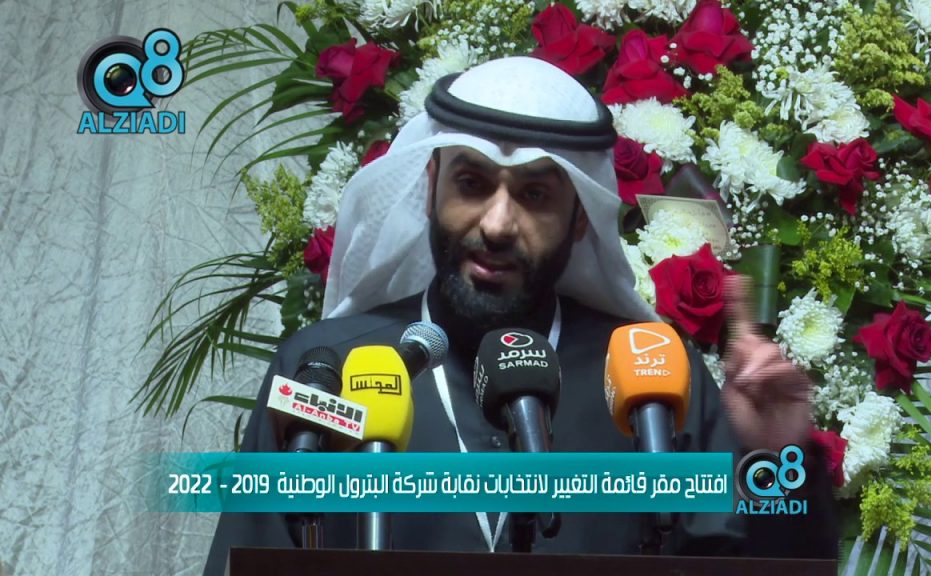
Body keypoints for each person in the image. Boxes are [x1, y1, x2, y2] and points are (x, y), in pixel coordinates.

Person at [203, 57, 838, 575]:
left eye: (534, 194)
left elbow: (751, 561)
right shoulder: (323, 370)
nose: (498, 224)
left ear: (580, 217)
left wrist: (782, 457)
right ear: (431, 185)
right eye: (472, 184)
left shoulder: (654, 375)